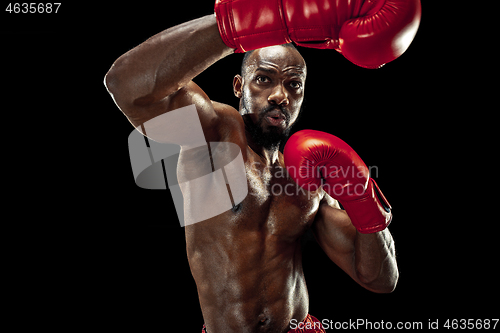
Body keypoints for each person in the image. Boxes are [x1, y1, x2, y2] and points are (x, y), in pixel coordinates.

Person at [104, 1, 421, 332]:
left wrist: (363, 195)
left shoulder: (307, 175)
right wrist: (259, 21)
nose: (279, 95)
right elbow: (127, 87)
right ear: (240, 87)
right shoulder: (215, 137)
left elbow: (379, 279)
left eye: (293, 84)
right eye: (264, 79)